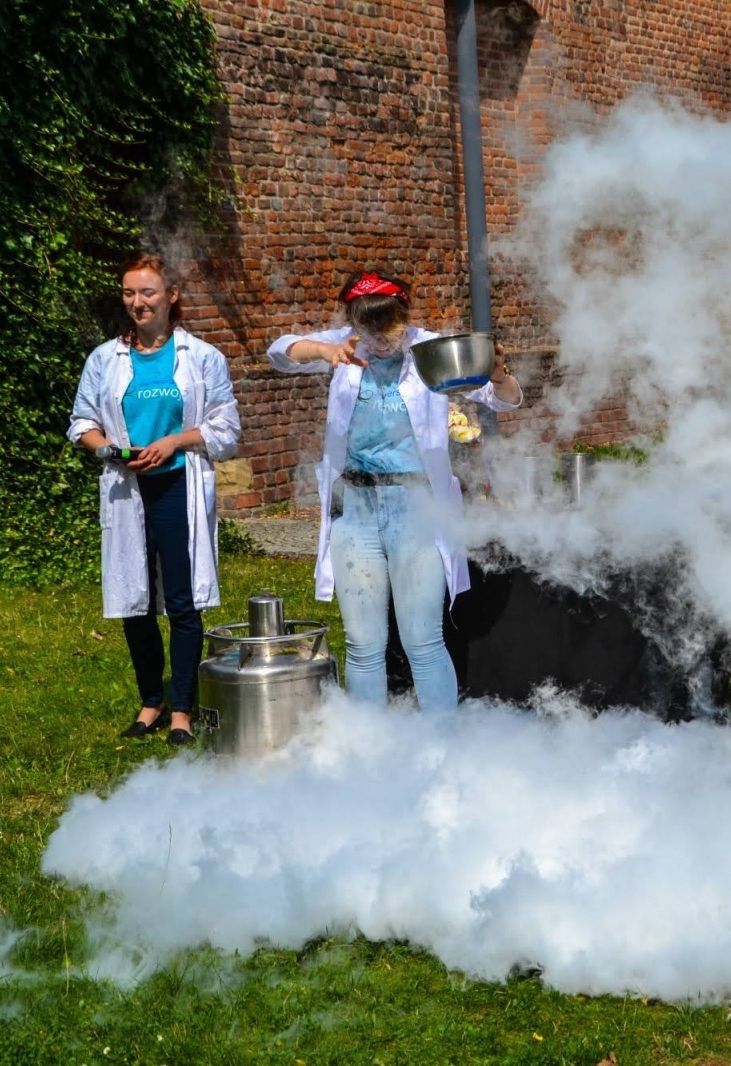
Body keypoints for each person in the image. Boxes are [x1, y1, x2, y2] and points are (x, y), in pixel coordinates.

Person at [267, 270, 521, 713]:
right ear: (353, 321)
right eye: (369, 327)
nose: (380, 337)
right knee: (363, 644)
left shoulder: (433, 349)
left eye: (388, 325)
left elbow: (505, 400)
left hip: (416, 507)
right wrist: (324, 350)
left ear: (405, 315)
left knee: (422, 639)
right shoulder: (343, 344)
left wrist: (498, 372)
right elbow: (280, 352)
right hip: (355, 508)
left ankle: (441, 749)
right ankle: (371, 753)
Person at [68, 253, 241, 744]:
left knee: (183, 602)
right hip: (128, 488)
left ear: (171, 296)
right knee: (134, 600)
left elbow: (226, 429)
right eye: (129, 293)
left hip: (177, 485)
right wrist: (106, 450)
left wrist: (174, 441)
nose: (137, 303)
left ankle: (183, 709)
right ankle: (151, 701)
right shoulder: (105, 358)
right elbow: (82, 420)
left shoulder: (202, 357)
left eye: (147, 292)